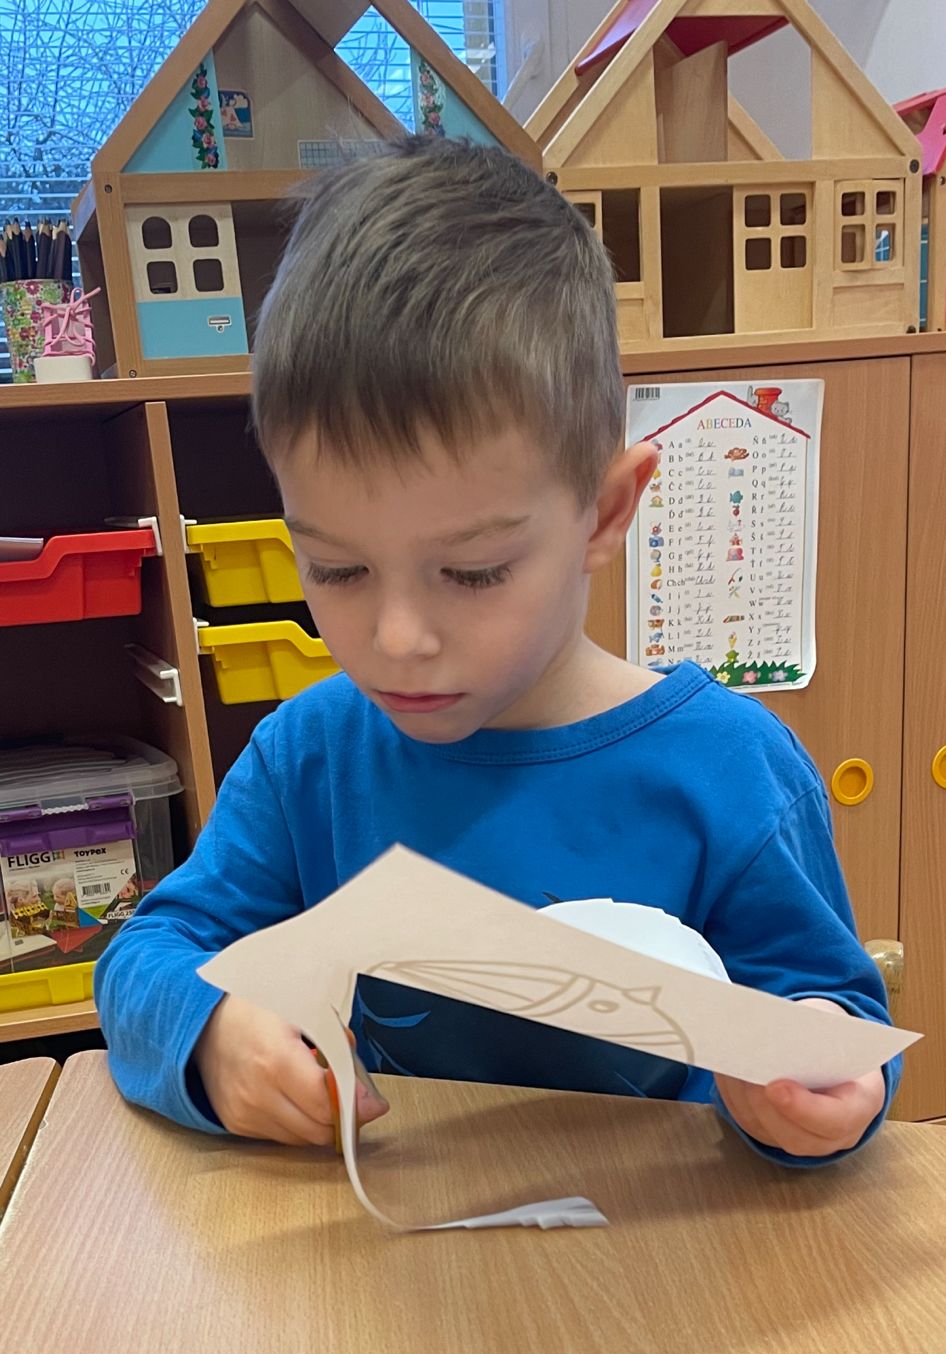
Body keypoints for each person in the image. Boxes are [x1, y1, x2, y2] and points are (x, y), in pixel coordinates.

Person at [96, 137, 898, 1166]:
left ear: (605, 513)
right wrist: (209, 1033)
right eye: (336, 568)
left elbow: (832, 1010)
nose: (397, 638)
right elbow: (146, 956)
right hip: (394, 1239)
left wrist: (824, 1085)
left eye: (472, 573)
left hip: (668, 1240)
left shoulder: (733, 770)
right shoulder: (310, 759)